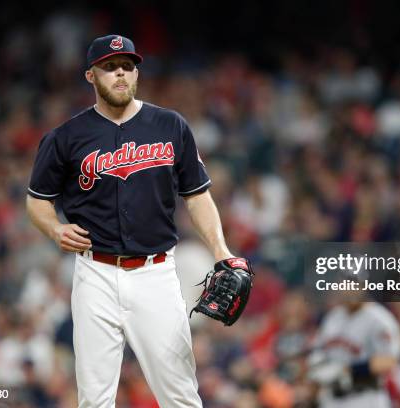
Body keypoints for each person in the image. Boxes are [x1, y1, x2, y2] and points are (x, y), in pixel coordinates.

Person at [26, 34, 243, 407]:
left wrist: (222, 251)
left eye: (127, 66)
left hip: (155, 272)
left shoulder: (170, 125)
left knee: (180, 395)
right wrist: (53, 227)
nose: (121, 74)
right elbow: (37, 201)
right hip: (94, 273)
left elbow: (197, 194)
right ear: (91, 76)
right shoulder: (65, 137)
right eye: (110, 67)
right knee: (94, 399)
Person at [307, 290, 400, 407]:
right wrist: (317, 369)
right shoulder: (333, 317)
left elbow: (389, 361)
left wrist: (349, 370)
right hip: (332, 398)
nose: (350, 291)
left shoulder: (379, 319)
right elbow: (318, 352)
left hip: (365, 397)